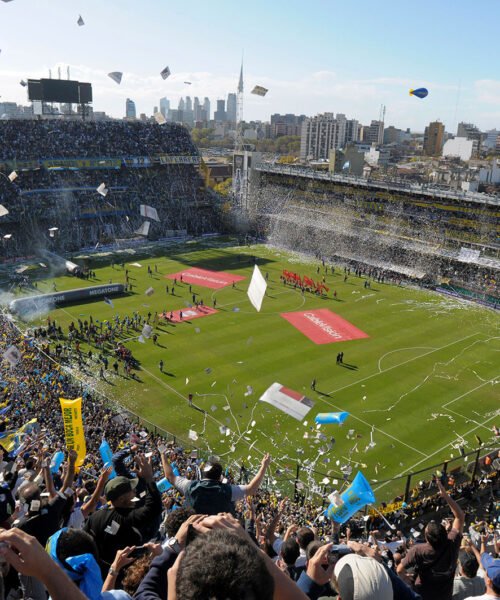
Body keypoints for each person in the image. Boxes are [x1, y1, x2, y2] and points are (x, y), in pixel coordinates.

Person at [83, 455, 162, 577]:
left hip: (99, 571)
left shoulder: (95, 517)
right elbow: (154, 508)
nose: (135, 491)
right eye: (131, 490)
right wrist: (149, 478)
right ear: (121, 498)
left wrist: (141, 480)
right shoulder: (128, 518)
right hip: (123, 576)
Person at [397, 478, 465, 600]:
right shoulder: (452, 542)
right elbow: (460, 516)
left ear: (427, 539)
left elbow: (399, 570)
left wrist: (407, 580)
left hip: (423, 595)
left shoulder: (418, 550)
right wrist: (445, 496)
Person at [162, 453, 271, 516]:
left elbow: (169, 476)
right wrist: (264, 466)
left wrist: (162, 453)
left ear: (203, 473)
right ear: (220, 477)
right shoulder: (227, 491)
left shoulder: (190, 486)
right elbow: (251, 489)